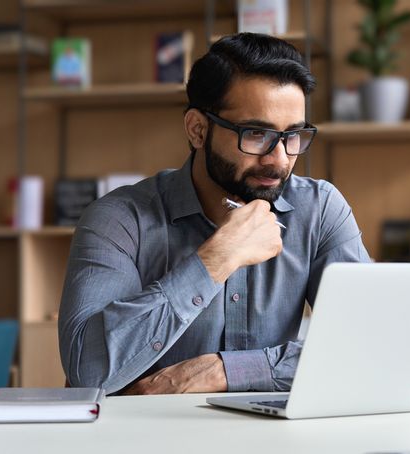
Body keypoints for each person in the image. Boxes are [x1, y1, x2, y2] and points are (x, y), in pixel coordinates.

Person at [58, 33, 371, 395]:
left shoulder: (319, 210)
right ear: (197, 129)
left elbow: (370, 345)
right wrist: (216, 258)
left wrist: (223, 371)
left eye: (293, 136)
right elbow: (88, 371)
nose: (280, 159)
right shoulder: (118, 220)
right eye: (256, 134)